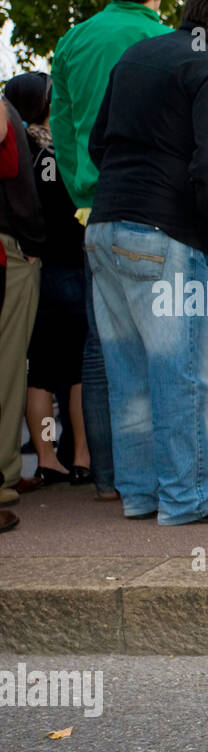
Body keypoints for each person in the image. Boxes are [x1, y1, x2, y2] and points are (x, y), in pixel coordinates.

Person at [86, 0, 208, 525]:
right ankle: (188, 498)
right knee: (185, 373)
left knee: (131, 376)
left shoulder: (138, 55)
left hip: (105, 229)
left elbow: (99, 145)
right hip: (166, 237)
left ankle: (142, 495)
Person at [49, 0, 173, 505]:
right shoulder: (163, 37)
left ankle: (110, 477)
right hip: (151, 202)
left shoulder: (74, 41)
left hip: (92, 211)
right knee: (163, 346)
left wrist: (80, 189)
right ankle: (163, 478)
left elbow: (62, 126)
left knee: (103, 349)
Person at [4, 73, 91, 491]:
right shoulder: (55, 155)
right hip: (69, 267)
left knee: (39, 370)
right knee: (74, 368)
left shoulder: (22, 152)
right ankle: (81, 457)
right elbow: (67, 208)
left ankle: (46, 458)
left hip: (37, 268)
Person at [0, 93, 44, 504]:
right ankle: (4, 471)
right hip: (11, 249)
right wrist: (33, 243)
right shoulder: (5, 114)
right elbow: (18, 184)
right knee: (9, 365)